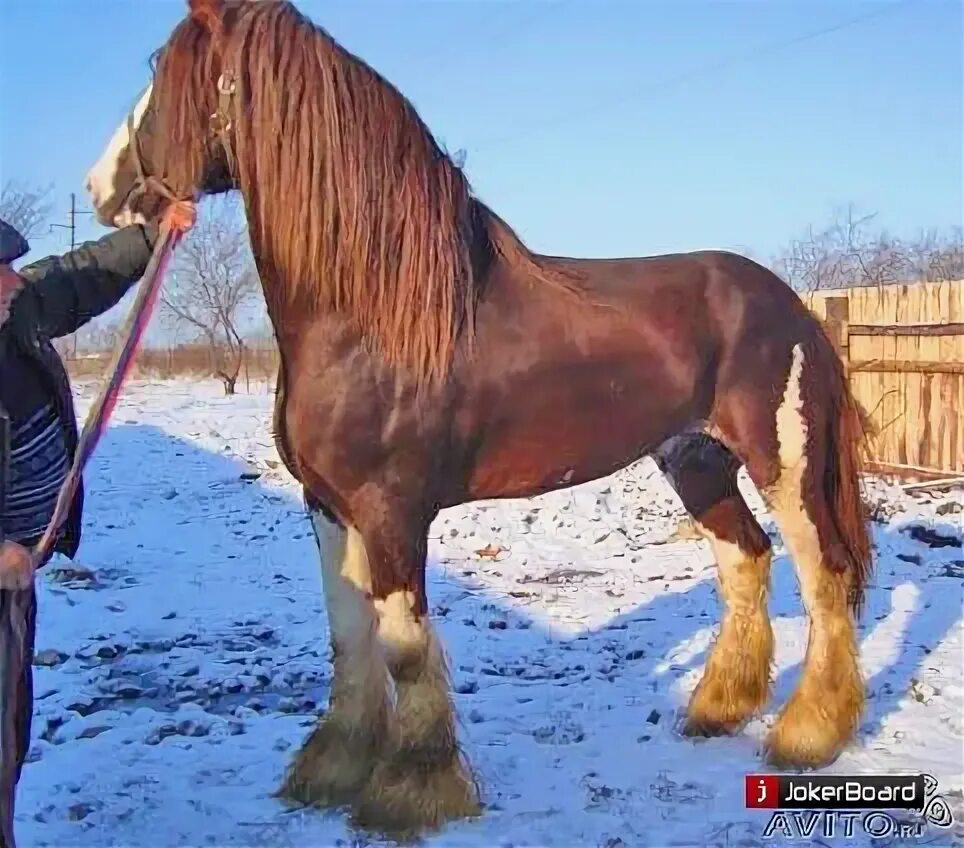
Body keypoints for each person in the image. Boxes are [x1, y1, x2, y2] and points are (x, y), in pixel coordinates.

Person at [0, 207, 193, 847]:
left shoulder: (15, 314)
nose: (12, 282)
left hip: (13, 585)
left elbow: (82, 275)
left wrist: (154, 232)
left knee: (6, 737)